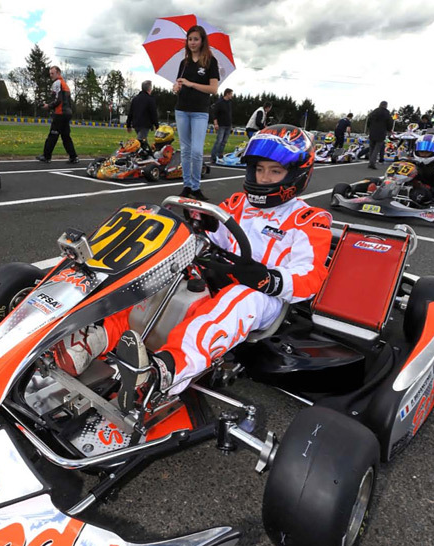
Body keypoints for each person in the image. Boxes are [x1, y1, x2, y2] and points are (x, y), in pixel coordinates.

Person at [52, 124, 332, 413]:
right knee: (160, 278)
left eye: (275, 171)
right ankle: (97, 339)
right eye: (259, 169)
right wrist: (200, 227)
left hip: (264, 298)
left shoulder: (309, 219)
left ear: (297, 174)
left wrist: (268, 280)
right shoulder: (238, 203)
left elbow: (311, 276)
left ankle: (165, 371)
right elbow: (211, 240)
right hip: (217, 277)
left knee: (238, 298)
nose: (263, 177)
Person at [172, 25, 219, 201]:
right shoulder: (183, 63)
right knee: (185, 150)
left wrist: (191, 84)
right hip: (182, 109)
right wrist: (176, 87)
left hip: (200, 111)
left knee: (197, 151)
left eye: (196, 39)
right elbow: (178, 85)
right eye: (190, 39)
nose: (192, 42)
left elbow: (213, 89)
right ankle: (186, 186)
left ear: (202, 41)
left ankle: (196, 186)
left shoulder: (210, 62)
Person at [36, 66, 78, 164]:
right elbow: (67, 101)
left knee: (52, 135)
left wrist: (48, 106)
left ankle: (46, 156)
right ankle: (73, 157)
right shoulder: (65, 84)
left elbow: (58, 100)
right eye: (50, 73)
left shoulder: (57, 83)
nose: (50, 75)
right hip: (67, 113)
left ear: (58, 73)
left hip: (60, 113)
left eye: (52, 73)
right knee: (66, 136)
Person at [408, 134, 434, 206]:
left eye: (427, 152)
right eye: (421, 152)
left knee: (417, 193)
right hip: (408, 188)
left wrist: (423, 187)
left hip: (427, 194)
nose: (423, 154)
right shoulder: (411, 163)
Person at [366, 101, 393, 169]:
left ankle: (370, 162)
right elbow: (390, 122)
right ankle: (372, 162)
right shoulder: (386, 113)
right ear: (386, 105)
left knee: (371, 148)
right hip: (381, 132)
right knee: (377, 148)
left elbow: (368, 120)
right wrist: (389, 129)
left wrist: (369, 128)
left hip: (372, 131)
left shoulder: (374, 111)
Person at [210, 88, 234, 163]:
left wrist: (231, 125)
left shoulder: (230, 103)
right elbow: (214, 113)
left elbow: (229, 114)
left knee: (224, 141)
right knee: (219, 141)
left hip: (228, 124)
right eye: (231, 94)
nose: (232, 96)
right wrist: (216, 123)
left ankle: (220, 155)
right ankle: (213, 157)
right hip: (221, 124)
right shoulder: (219, 102)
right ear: (227, 94)